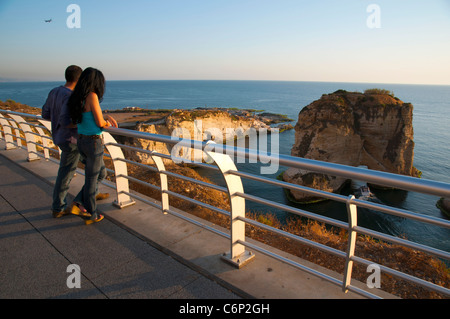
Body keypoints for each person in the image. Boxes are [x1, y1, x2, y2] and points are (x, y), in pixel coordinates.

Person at [67, 67, 118, 224]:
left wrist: (103, 117)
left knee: (100, 174)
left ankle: (78, 202)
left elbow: (84, 117)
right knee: (91, 179)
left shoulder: (78, 97)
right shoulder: (92, 96)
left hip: (82, 141)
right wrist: (107, 121)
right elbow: (99, 122)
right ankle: (91, 213)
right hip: (93, 142)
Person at [42, 65, 83, 218]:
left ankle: (91, 193)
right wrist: (83, 122)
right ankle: (59, 207)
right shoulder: (71, 96)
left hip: (59, 137)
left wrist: (57, 118)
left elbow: (45, 113)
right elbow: (67, 121)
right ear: (79, 80)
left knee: (97, 168)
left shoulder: (54, 92)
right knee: (66, 174)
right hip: (72, 141)